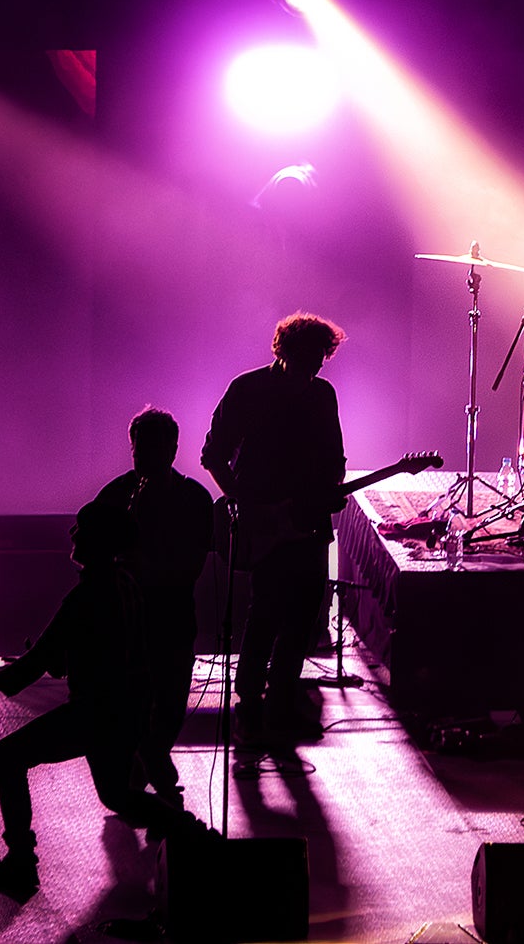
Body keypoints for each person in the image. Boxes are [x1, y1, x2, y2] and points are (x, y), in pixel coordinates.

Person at [0, 500, 185, 899]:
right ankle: (187, 830)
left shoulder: (85, 598)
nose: (72, 534)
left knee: (9, 756)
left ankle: (20, 861)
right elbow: (104, 650)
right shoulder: (125, 584)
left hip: (96, 713)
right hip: (127, 711)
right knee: (116, 795)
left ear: (98, 540)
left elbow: (37, 661)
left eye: (81, 528)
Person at [201, 312, 346, 742]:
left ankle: (280, 701)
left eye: (320, 359)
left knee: (303, 617)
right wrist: (245, 504)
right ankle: (248, 703)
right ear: (285, 352)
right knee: (265, 613)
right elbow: (213, 455)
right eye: (307, 359)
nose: (314, 368)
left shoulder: (323, 395)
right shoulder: (247, 389)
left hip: (310, 521)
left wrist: (332, 487)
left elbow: (334, 458)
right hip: (265, 521)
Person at [84, 407, 214, 810]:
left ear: (172, 450)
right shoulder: (115, 496)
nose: (144, 460)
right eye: (139, 452)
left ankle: (149, 769)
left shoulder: (193, 499)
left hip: (171, 614)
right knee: (133, 705)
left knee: (171, 703)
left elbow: (193, 564)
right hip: (127, 621)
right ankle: (153, 777)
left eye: (153, 452)